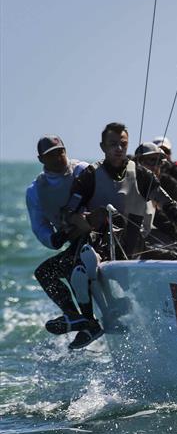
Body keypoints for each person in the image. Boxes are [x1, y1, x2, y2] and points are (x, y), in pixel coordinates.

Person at [64, 123, 177, 347]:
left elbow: (166, 202)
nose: (118, 148)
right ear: (103, 146)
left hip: (134, 243)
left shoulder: (140, 173)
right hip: (98, 239)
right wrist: (83, 220)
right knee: (66, 270)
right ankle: (88, 321)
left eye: (123, 144)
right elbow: (69, 212)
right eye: (113, 144)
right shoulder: (90, 175)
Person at [26, 135, 90, 338]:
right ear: (41, 159)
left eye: (60, 152)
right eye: (51, 155)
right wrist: (53, 239)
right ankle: (73, 315)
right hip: (73, 241)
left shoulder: (82, 170)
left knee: (69, 264)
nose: (58, 157)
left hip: (97, 235)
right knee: (44, 273)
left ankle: (89, 322)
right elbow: (39, 226)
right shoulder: (35, 190)